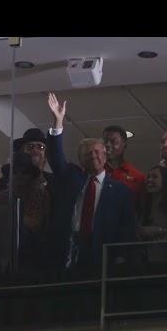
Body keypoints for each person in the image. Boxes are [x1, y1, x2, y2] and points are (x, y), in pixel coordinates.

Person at [45, 93, 136, 273]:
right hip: (68, 251)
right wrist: (58, 122)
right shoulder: (72, 178)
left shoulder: (119, 190)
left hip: (102, 256)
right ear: (81, 159)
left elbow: (126, 226)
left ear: (105, 155)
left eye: (97, 151)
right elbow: (56, 158)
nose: (93, 155)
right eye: (88, 153)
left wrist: (121, 256)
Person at [102, 125, 146, 202]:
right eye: (105, 141)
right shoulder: (94, 172)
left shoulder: (137, 177)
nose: (107, 145)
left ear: (124, 145)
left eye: (113, 141)